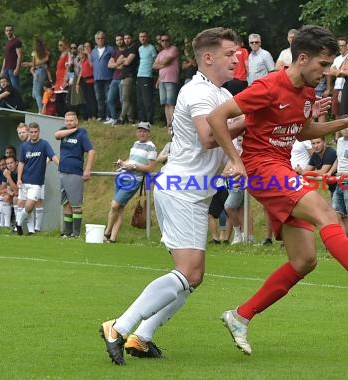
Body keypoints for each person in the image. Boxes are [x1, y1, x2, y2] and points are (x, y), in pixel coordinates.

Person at [207, 25, 348, 356]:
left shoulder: (306, 92)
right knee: (326, 212)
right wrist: (236, 161)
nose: (326, 72)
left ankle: (240, 316)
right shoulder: (268, 86)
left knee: (304, 260)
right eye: (322, 65)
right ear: (302, 59)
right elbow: (217, 117)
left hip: (281, 168)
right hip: (262, 169)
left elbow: (303, 132)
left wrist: (347, 121)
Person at [99, 27, 246, 365]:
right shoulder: (197, 91)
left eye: (236, 54)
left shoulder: (220, 95)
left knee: (192, 277)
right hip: (181, 191)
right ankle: (119, 327)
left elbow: (225, 142)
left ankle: (142, 337)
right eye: (229, 54)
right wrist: (249, 121)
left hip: (189, 192)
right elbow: (209, 137)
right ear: (207, 57)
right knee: (189, 273)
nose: (236, 59)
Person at [103, 122, 157, 244]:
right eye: (140, 131)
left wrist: (134, 166)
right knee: (120, 209)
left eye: (144, 131)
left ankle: (107, 232)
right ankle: (112, 238)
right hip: (122, 176)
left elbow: (150, 168)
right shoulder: (135, 144)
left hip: (133, 181)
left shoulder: (151, 147)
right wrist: (123, 163)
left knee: (114, 205)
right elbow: (132, 160)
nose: (142, 133)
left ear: (149, 133)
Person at [54, 111, 95, 238]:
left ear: (76, 121)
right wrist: (71, 130)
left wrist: (87, 170)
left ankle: (76, 234)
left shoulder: (82, 133)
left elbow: (92, 151)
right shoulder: (64, 131)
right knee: (66, 204)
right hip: (62, 172)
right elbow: (56, 135)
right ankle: (67, 233)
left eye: (71, 120)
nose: (69, 123)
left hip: (75, 172)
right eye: (67, 121)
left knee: (76, 204)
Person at [15, 122, 59, 235]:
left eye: (36, 132)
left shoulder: (44, 144)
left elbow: (53, 156)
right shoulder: (25, 146)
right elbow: (21, 163)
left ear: (39, 132)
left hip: (36, 183)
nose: (34, 134)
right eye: (32, 132)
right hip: (24, 181)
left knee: (29, 207)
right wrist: (19, 179)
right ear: (29, 132)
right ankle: (30, 231)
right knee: (21, 203)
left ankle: (18, 224)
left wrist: (62, 166)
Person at [153, 33, 180, 129]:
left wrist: (161, 64)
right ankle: (168, 124)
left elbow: (165, 61)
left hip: (171, 79)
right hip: (161, 80)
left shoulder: (173, 49)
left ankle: (173, 125)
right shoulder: (161, 53)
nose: (164, 42)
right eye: (162, 40)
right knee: (165, 103)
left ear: (170, 41)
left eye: (166, 40)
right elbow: (154, 66)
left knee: (171, 102)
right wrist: (163, 65)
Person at [90, 31, 114, 121]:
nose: (100, 40)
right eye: (98, 38)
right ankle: (101, 115)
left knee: (108, 97)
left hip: (108, 77)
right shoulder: (93, 51)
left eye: (102, 38)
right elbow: (91, 63)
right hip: (97, 78)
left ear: (105, 39)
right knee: (99, 98)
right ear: (95, 40)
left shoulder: (110, 49)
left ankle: (109, 115)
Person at [326, 37, 348, 126]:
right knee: (336, 112)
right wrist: (337, 72)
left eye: (342, 45)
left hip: (345, 87)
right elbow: (330, 71)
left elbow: (338, 71)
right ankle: (337, 138)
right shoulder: (337, 59)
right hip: (336, 87)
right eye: (339, 46)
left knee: (345, 112)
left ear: (346, 46)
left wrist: (336, 71)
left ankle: (346, 135)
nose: (340, 48)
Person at [136, 31, 157, 124]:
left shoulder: (151, 48)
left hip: (147, 75)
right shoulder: (140, 48)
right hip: (139, 75)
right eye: (141, 37)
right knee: (140, 99)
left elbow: (155, 60)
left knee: (147, 99)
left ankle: (149, 120)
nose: (142, 38)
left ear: (147, 37)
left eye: (144, 36)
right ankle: (142, 120)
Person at [0, 25, 23, 93]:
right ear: (5, 32)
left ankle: (19, 103)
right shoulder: (7, 43)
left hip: (13, 68)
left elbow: (20, 55)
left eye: (10, 30)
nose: (8, 32)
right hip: (6, 69)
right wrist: (2, 70)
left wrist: (17, 68)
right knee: (7, 89)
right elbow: (5, 57)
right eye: (7, 31)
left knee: (15, 88)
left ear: (13, 31)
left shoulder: (16, 41)